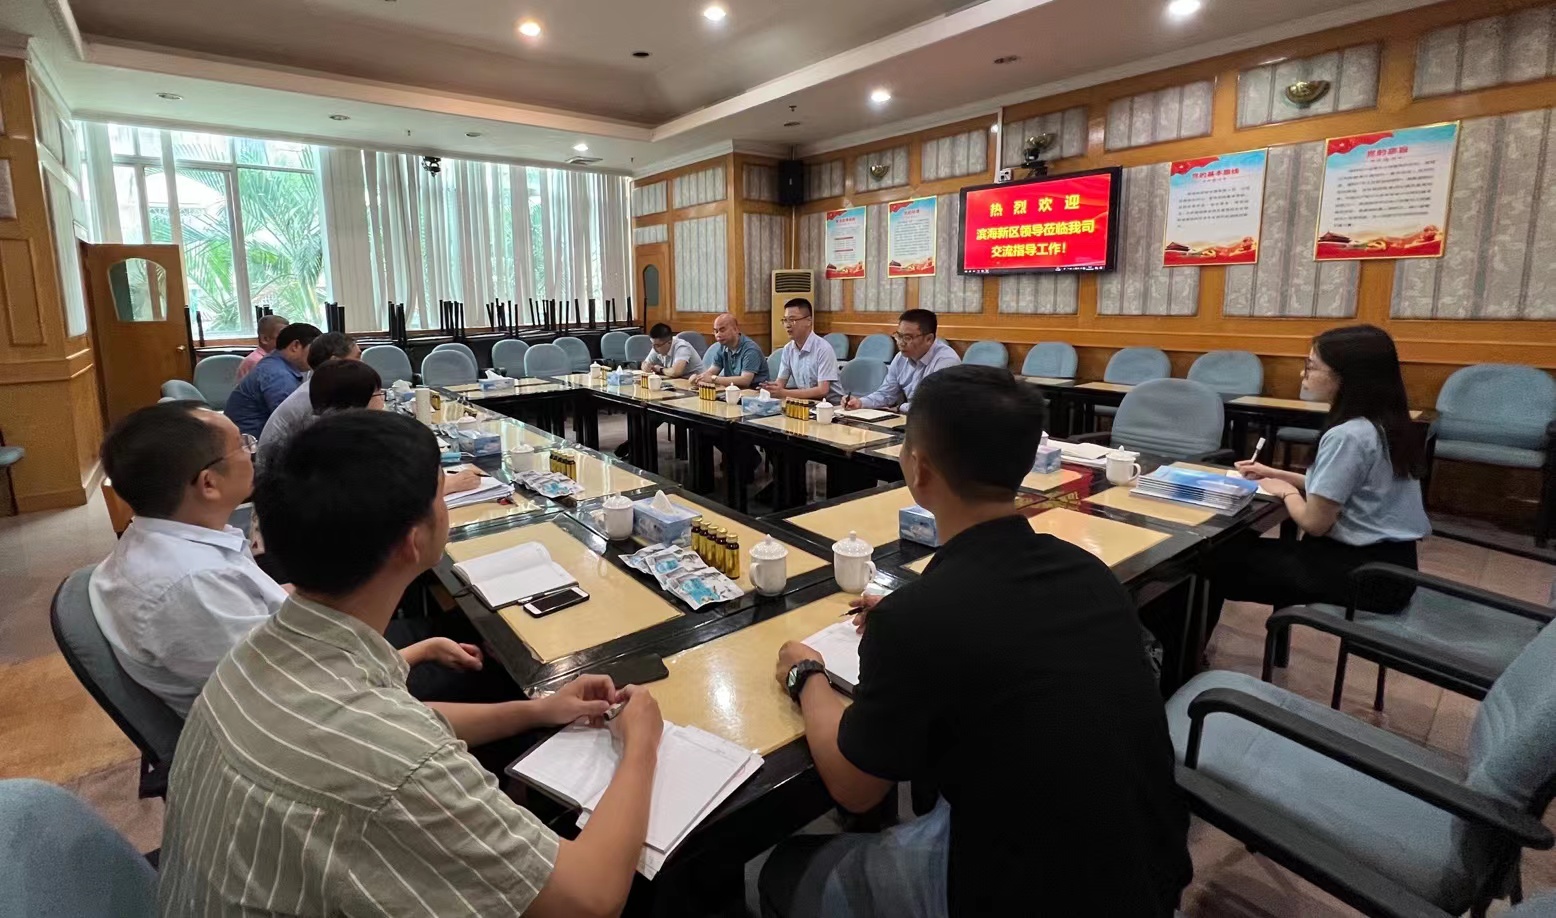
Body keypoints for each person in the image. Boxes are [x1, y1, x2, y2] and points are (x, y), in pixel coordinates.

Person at [158, 410, 663, 917]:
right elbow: (590, 898)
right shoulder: (399, 766)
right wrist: (640, 743)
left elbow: (409, 723)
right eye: (441, 495)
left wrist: (539, 710)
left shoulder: (256, 652)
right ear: (413, 541)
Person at [763, 365, 1191, 918]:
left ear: (918, 467)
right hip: (1147, 874)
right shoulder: (1089, 572)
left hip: (1016, 894)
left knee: (786, 868)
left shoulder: (918, 619)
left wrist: (806, 674)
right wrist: (909, 615)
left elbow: (856, 788)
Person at [90, 402, 483, 716]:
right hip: (314, 712)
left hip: (310, 657)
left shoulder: (169, 543)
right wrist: (419, 652)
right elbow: (299, 698)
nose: (252, 451)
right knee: (487, 672)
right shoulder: (191, 584)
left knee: (443, 621)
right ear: (209, 483)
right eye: (242, 445)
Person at [1208, 324, 1431, 639]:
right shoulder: (1386, 424)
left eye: (1311, 367)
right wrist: (1276, 473)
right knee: (1229, 551)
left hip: (1358, 574)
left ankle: (1176, 658)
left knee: (1211, 561)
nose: (1303, 374)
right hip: (1394, 568)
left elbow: (1315, 523)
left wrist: (1287, 492)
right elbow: (1344, 489)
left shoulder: (1348, 435)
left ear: (1346, 377)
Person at [256, 332, 359, 466]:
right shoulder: (318, 395)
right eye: (358, 357)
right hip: (277, 470)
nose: (363, 364)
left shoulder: (318, 386)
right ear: (336, 362)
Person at [842, 309, 960, 413]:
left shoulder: (946, 362)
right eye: (899, 336)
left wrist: (900, 408)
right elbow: (886, 394)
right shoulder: (900, 358)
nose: (901, 343)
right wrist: (860, 402)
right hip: (914, 420)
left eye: (908, 338)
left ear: (929, 339)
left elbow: (932, 406)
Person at [224, 322, 321, 438]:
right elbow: (293, 422)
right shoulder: (278, 374)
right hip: (251, 442)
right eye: (313, 350)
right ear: (295, 346)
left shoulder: (273, 363)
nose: (317, 356)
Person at [762, 298, 843, 402]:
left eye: (792, 320)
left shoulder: (823, 349)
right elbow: (780, 384)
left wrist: (784, 393)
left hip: (831, 405)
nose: (787, 325)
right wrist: (770, 389)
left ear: (808, 321)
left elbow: (822, 390)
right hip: (806, 403)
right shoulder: (788, 349)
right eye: (785, 320)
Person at [693, 312, 769, 388]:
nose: (718, 335)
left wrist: (713, 379)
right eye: (716, 331)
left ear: (736, 329)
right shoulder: (723, 347)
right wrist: (699, 378)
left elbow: (745, 380)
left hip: (755, 392)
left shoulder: (751, 350)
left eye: (722, 330)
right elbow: (711, 372)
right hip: (733, 390)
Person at [234, 314, 288, 381]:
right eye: (282, 337)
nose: (287, 341)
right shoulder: (258, 361)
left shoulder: (273, 357)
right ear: (265, 339)